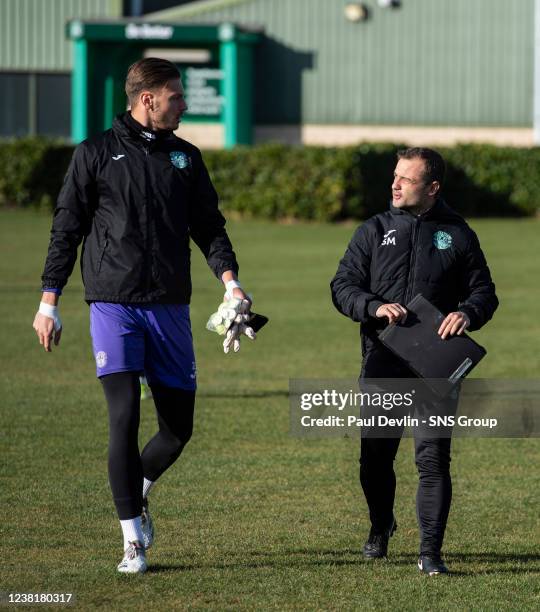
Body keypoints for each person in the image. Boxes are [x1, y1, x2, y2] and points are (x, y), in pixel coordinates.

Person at [33, 58, 254, 574]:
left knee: (178, 430)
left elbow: (210, 228)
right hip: (112, 303)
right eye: (176, 96)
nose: (184, 104)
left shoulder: (186, 158)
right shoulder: (94, 153)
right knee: (124, 418)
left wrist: (231, 282)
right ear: (147, 99)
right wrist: (50, 301)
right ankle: (132, 540)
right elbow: (67, 229)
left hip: (171, 307)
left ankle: (139, 491)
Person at [330, 147, 498, 575]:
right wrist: (373, 307)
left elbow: (484, 292)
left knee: (432, 459)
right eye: (395, 176)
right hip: (382, 362)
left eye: (407, 178)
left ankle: (430, 553)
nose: (395, 184)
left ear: (432, 187)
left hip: (435, 365)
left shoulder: (457, 234)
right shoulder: (373, 230)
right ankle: (380, 525)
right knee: (375, 459)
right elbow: (342, 285)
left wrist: (467, 313)